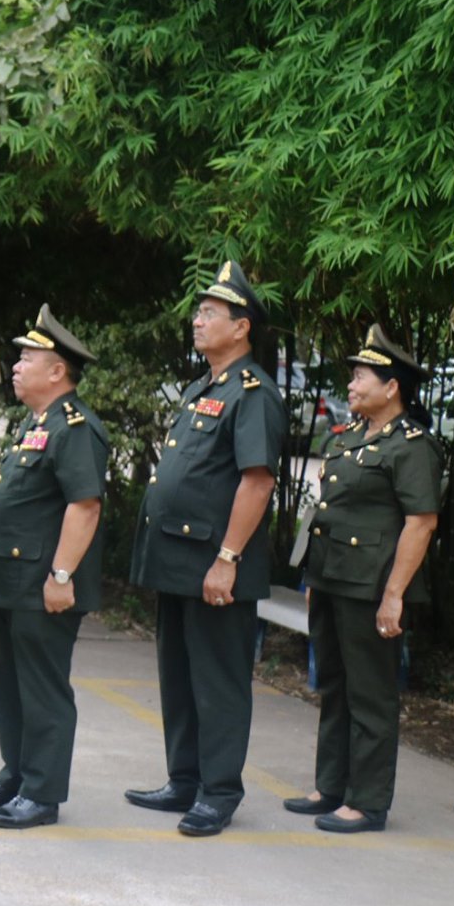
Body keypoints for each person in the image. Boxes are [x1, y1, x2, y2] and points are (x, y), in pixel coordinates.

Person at [126, 260, 285, 838]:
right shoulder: (204, 388)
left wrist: (228, 558)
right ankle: (185, 778)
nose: (197, 321)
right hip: (179, 560)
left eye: (209, 313)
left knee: (218, 681)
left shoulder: (253, 393)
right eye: (198, 312)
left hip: (216, 562)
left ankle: (218, 791)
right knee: (178, 675)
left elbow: (257, 482)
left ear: (241, 328)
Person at [0, 306, 109, 829]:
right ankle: (17, 772)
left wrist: (62, 576)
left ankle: (41, 793)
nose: (16, 366)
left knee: (43, 689)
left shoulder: (75, 428)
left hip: (43, 584)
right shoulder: (37, 422)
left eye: (27, 359)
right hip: (10, 581)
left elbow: (85, 506)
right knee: (8, 683)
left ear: (57, 370)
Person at [285, 324, 443, 833]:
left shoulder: (412, 445)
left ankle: (368, 801)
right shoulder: (351, 436)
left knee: (371, 693)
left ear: (392, 387)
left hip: (371, 585)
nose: (351, 385)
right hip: (332, 579)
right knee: (333, 683)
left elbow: (421, 524)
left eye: (360, 377)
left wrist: (394, 594)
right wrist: (313, 576)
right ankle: (331, 785)